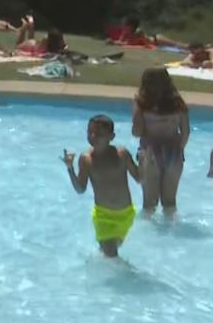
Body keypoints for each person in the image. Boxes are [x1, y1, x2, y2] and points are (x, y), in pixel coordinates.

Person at [62, 115, 143, 257]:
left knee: (109, 251)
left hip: (126, 214)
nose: (93, 136)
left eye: (99, 134)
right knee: (112, 255)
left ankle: (97, 260)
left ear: (111, 136)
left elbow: (139, 178)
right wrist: (70, 169)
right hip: (103, 215)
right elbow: (81, 189)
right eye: (90, 132)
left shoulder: (122, 154)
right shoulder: (86, 159)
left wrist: (145, 161)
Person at [133, 67, 190, 217]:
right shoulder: (178, 102)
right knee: (170, 203)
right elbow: (185, 132)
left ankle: (148, 239)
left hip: (150, 152)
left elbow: (137, 131)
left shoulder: (142, 103)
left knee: (149, 205)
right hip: (174, 153)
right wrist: (179, 149)